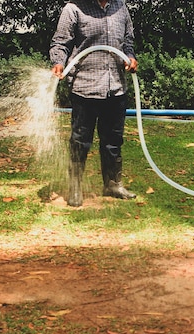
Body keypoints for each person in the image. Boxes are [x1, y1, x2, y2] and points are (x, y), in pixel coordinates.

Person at [50, 0, 139, 207]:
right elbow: (60, 43)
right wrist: (58, 62)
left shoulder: (121, 7)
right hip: (84, 87)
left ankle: (113, 184)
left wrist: (130, 57)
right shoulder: (73, 9)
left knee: (113, 140)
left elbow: (128, 40)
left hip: (116, 87)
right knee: (80, 141)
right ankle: (75, 188)